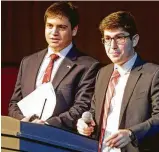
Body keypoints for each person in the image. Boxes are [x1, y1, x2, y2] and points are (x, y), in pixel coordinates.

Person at [77, 11, 159, 152]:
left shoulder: (155, 74)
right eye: (107, 39)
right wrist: (86, 123)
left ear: (134, 40)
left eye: (120, 38)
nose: (113, 46)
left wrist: (132, 134)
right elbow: (95, 111)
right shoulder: (103, 73)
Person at [8, 2, 100, 130]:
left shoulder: (87, 65)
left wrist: (47, 125)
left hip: (59, 140)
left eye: (61, 27)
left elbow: (81, 107)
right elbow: (14, 104)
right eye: (49, 26)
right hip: (25, 136)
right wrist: (24, 121)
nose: (54, 32)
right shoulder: (28, 62)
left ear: (74, 30)